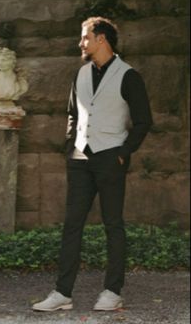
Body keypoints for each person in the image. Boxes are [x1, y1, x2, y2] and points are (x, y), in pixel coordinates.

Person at [33, 17, 152, 313]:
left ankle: (113, 291)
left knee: (113, 225)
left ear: (102, 39)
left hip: (112, 157)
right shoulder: (81, 74)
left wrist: (124, 152)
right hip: (80, 159)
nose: (81, 43)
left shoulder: (129, 76)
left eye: (85, 37)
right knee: (72, 225)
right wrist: (70, 145)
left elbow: (143, 121)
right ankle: (62, 293)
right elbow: (72, 113)